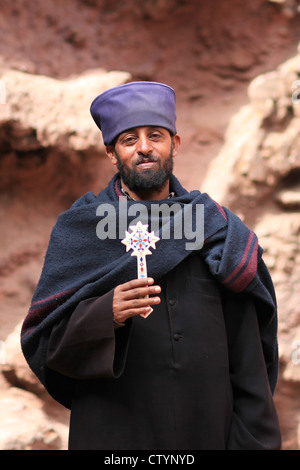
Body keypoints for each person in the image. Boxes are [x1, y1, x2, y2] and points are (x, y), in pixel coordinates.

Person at [21, 81, 281, 450]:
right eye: (129, 140)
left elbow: (249, 360)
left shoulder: (216, 228)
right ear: (111, 153)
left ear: (174, 144)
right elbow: (44, 344)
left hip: (210, 434)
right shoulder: (82, 232)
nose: (144, 148)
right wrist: (102, 315)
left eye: (155, 136)